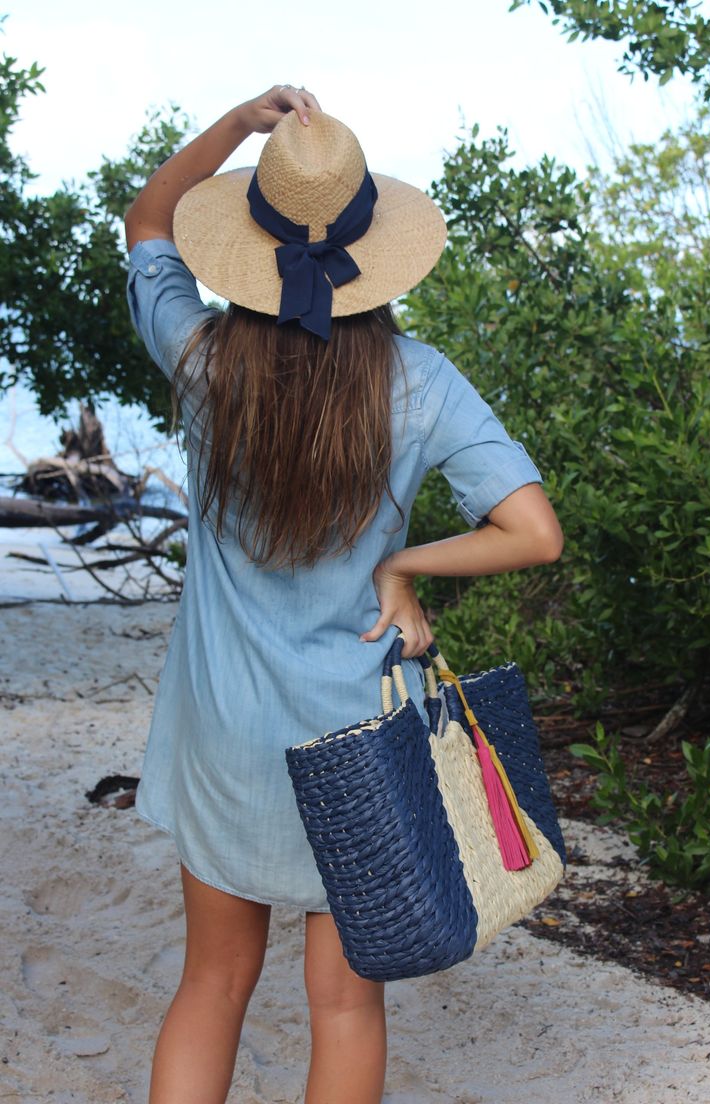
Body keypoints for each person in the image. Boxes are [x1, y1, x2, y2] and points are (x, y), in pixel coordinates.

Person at [124, 84, 563, 1104]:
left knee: (211, 985)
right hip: (359, 747)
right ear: (374, 249)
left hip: (224, 739)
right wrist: (400, 567)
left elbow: (148, 221)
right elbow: (532, 533)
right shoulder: (422, 381)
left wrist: (239, 126)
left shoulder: (202, 363)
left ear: (251, 246)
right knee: (345, 1009)